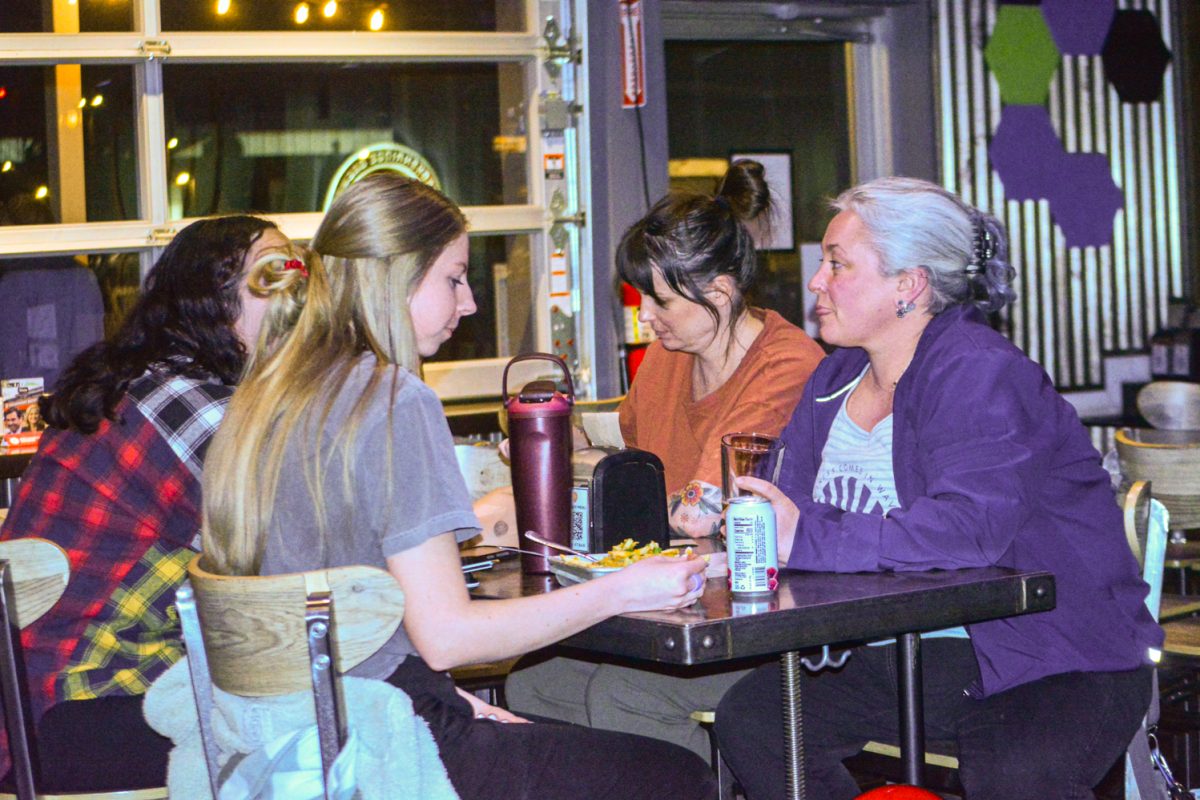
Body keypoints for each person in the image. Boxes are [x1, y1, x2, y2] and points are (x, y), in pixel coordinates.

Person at [197, 174, 718, 800]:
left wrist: (452, 700)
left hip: (302, 735)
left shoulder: (266, 393)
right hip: (383, 737)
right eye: (453, 278)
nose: (468, 303)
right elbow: (448, 638)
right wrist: (619, 589)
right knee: (677, 777)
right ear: (396, 275)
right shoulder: (391, 399)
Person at [714, 178, 1162, 800]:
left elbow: (968, 529)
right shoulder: (834, 378)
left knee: (1011, 772)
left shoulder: (982, 374)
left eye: (838, 264)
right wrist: (731, 519)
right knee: (757, 722)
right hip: (904, 652)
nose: (816, 282)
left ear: (910, 284)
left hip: (1049, 653)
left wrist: (803, 534)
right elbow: (789, 508)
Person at [505, 160, 826, 759]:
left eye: (659, 301)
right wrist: (566, 459)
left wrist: (612, 485)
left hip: (760, 620)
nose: (645, 318)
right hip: (674, 609)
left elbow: (696, 512)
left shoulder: (786, 366)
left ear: (720, 293)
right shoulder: (667, 358)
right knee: (534, 686)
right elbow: (639, 472)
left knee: (624, 696)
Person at [0, 216, 292, 791]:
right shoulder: (196, 408)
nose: (296, 295)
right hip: (70, 710)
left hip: (32, 705)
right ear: (212, 303)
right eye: (273, 276)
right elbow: (293, 558)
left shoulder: (141, 381)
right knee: (313, 730)